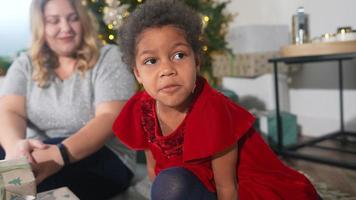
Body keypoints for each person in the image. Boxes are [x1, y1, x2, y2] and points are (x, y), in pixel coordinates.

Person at [112, 0, 320, 199]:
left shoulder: (212, 110)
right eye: (151, 61)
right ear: (138, 74)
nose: (166, 69)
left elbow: (227, 187)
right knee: (167, 185)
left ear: (196, 62)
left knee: (172, 185)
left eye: (179, 55)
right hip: (185, 180)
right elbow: (153, 170)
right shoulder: (142, 109)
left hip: (237, 184)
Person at [0, 0, 136, 199]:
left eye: (73, 19)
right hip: (38, 152)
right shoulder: (24, 64)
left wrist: (58, 154)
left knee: (37, 182)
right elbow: (10, 110)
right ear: (41, 26)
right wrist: (15, 152)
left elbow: (110, 117)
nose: (65, 28)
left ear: (84, 22)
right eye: (54, 21)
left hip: (103, 155)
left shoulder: (110, 57)